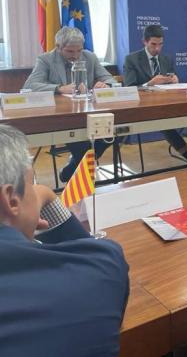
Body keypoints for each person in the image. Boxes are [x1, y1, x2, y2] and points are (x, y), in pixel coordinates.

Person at [0, 124, 129, 357]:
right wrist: (48, 196)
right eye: (32, 183)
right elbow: (95, 254)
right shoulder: (98, 268)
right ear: (11, 199)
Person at [24, 27, 115, 182]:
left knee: (113, 133)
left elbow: (110, 79)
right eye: (70, 52)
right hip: (61, 116)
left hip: (88, 111)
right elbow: (30, 85)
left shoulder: (90, 57)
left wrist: (105, 85)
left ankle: (71, 168)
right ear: (58, 47)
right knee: (84, 142)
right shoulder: (45, 59)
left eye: (78, 51)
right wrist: (58, 88)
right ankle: (77, 171)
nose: (75, 56)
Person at [123, 25, 187, 165]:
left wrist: (175, 81)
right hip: (146, 106)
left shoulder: (166, 59)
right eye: (153, 44)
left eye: (160, 44)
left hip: (168, 102)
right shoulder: (132, 59)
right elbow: (129, 88)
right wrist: (149, 83)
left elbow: (172, 82)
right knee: (164, 122)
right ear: (145, 42)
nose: (157, 49)